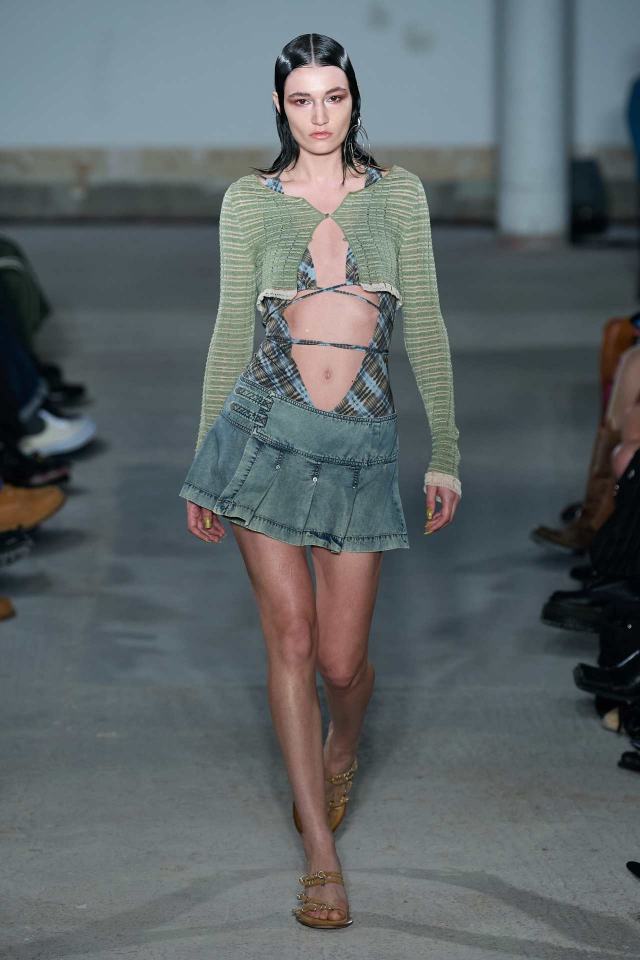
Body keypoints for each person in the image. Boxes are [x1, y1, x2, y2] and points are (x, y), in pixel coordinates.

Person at [179, 33, 462, 929]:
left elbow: (427, 325)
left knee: (342, 663)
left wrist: (445, 449)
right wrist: (204, 465)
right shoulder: (250, 203)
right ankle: (320, 856)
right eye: (301, 100)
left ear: (354, 99)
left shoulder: (398, 197)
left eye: (333, 97)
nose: (319, 116)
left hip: (359, 449)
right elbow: (231, 327)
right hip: (262, 437)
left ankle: (344, 746)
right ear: (279, 106)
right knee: (292, 642)